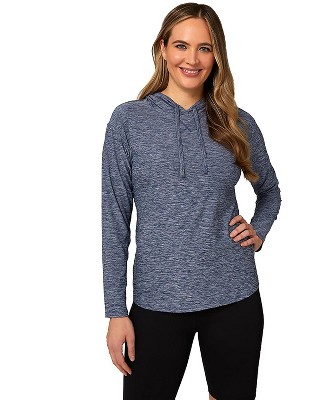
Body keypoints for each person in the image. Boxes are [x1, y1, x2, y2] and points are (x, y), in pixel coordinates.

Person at [102, 2, 282, 399]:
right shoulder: (128, 121)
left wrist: (258, 230)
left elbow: (269, 190)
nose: (192, 59)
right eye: (181, 45)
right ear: (163, 49)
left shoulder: (238, 122)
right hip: (157, 302)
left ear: (217, 55)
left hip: (234, 296)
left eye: (205, 48)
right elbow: (114, 221)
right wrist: (115, 310)